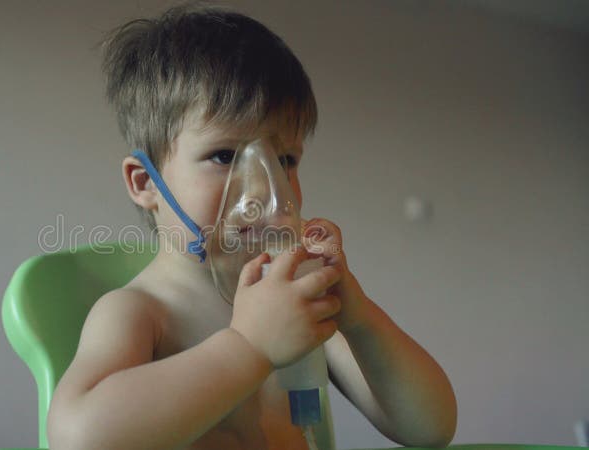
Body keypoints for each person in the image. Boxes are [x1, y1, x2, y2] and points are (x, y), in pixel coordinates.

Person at [48, 4, 457, 449]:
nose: (264, 187)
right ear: (146, 183)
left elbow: (430, 428)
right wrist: (249, 347)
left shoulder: (295, 302)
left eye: (284, 160)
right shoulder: (142, 312)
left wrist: (357, 318)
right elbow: (78, 437)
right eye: (225, 156)